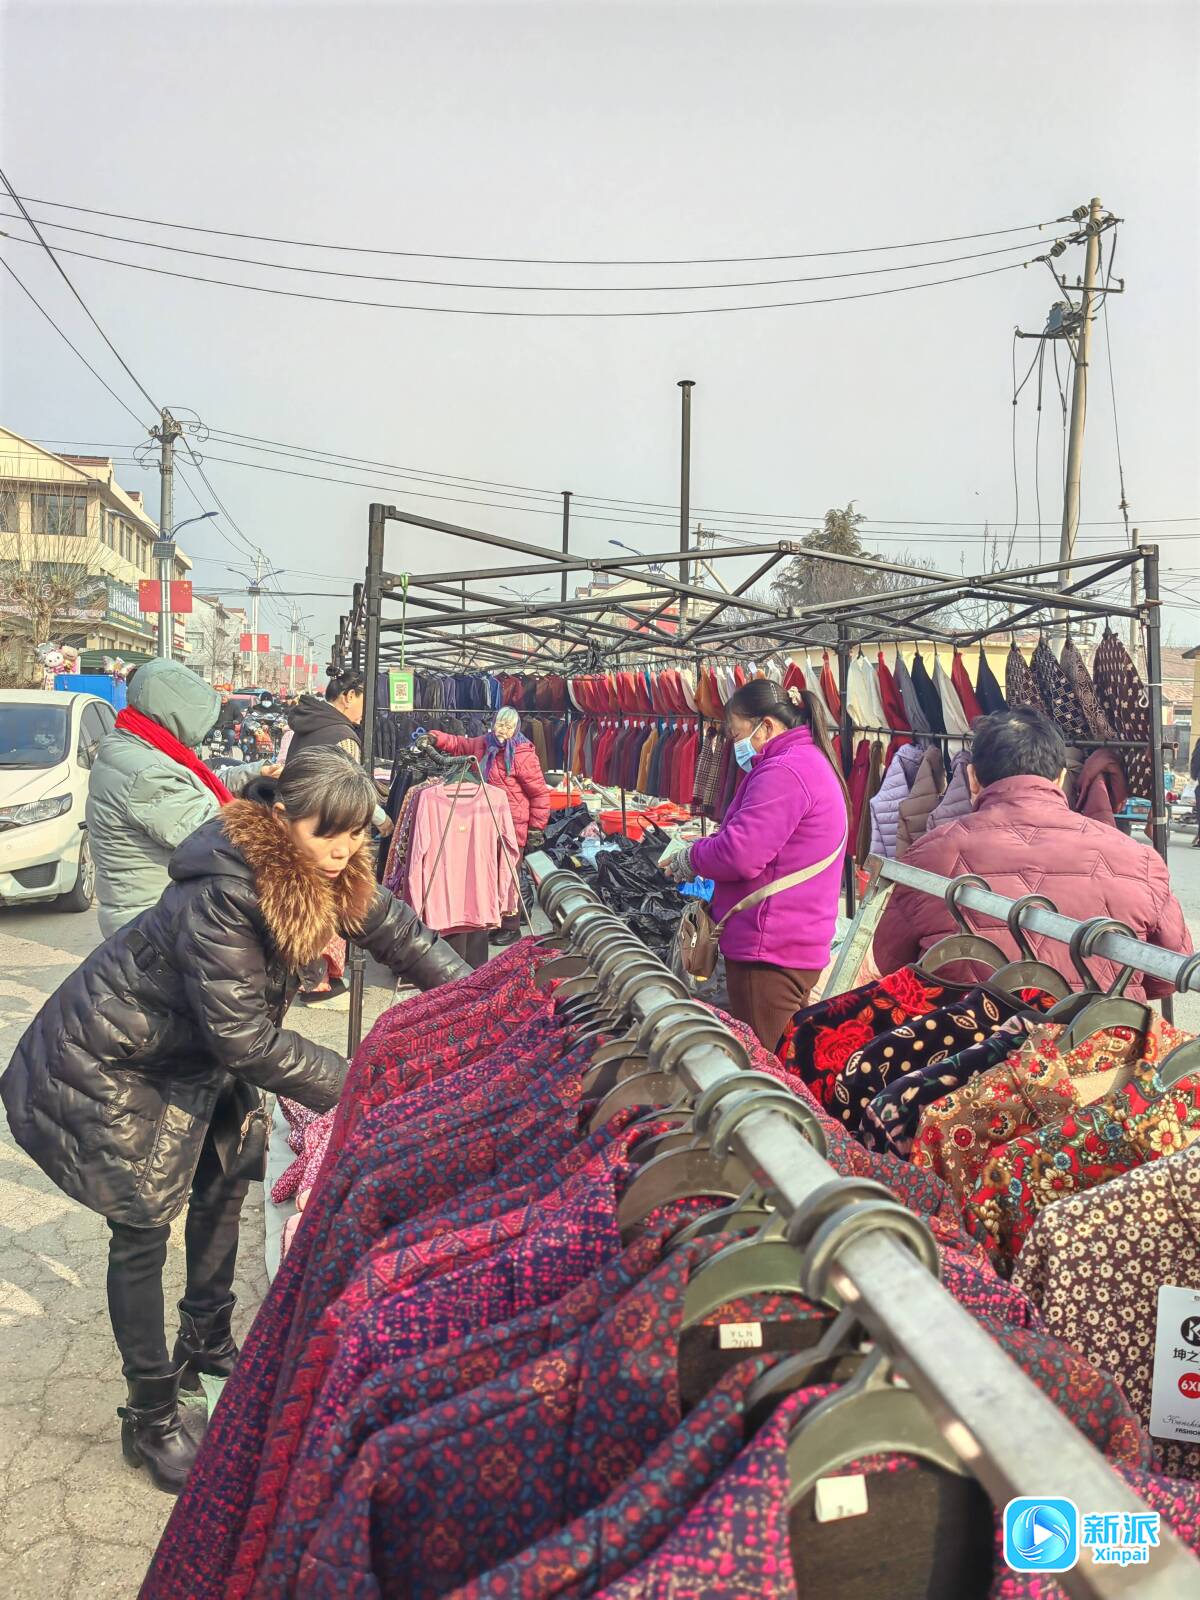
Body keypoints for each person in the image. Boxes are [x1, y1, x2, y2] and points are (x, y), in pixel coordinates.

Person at [1, 748, 469, 1494]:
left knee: (225, 1185)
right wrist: (359, 1086)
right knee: (141, 1230)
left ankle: (207, 1342)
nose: (343, 849)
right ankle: (150, 1417)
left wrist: (486, 999)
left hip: (197, 1057)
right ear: (282, 819)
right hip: (117, 1059)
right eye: (327, 832)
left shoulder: (330, 870)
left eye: (355, 833)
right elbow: (245, 1038)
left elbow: (402, 936)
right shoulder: (224, 892)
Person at [873, 706, 1192, 994]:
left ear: (972, 778)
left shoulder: (926, 855)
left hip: (967, 1038)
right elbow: (1167, 974)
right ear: (1061, 777)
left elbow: (890, 961)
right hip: (1100, 1037)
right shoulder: (1139, 859)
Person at [660, 679, 849, 1051]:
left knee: (766, 1065)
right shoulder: (804, 761)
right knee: (780, 1056)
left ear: (766, 726)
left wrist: (691, 858)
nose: (735, 744)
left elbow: (739, 854)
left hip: (770, 945)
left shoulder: (785, 771)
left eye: (736, 734)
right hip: (787, 940)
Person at [87, 659, 281, 937]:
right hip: (151, 925)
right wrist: (284, 827)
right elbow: (214, 834)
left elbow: (196, 785)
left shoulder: (140, 743)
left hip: (160, 913)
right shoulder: (144, 772)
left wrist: (255, 773)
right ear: (178, 713)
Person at [426, 706, 551, 946]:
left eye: (508, 726)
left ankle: (511, 927)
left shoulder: (523, 755)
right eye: (500, 724)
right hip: (485, 821)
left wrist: (536, 828)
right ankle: (495, 920)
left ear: (516, 729)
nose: (503, 730)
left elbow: (539, 794)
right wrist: (436, 738)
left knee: (508, 875)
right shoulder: (484, 743)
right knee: (490, 874)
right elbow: (460, 744)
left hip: (512, 823)